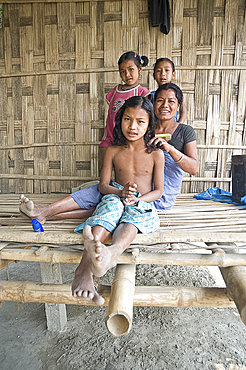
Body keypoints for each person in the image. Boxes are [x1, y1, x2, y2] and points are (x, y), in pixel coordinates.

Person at [19, 83, 198, 221]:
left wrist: (170, 149)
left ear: (179, 106)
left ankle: (48, 213)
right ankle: (45, 211)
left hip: (156, 195)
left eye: (171, 101)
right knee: (99, 190)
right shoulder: (142, 129)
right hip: (129, 187)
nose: (165, 105)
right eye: (160, 100)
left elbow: (194, 168)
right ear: (153, 103)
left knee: (109, 201)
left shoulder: (185, 132)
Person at [72, 96, 164, 304]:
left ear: (149, 124)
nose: (132, 126)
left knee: (134, 216)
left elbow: (158, 191)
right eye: (127, 119)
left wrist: (139, 200)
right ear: (119, 120)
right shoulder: (112, 150)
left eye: (140, 121)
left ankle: (112, 252)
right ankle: (86, 268)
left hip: (142, 200)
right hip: (117, 194)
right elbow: (103, 185)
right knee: (109, 208)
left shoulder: (156, 154)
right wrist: (120, 193)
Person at [100, 51, 150, 155]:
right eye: (122, 71)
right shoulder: (114, 92)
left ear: (140, 69)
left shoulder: (143, 93)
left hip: (131, 143)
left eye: (131, 69)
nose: (127, 74)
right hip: (110, 141)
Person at [151, 57, 187, 124]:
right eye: (159, 71)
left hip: (172, 129)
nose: (163, 74)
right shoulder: (151, 95)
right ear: (154, 75)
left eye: (167, 70)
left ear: (173, 75)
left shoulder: (176, 93)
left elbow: (183, 111)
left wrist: (178, 126)